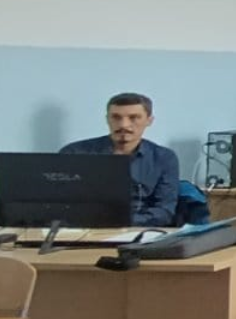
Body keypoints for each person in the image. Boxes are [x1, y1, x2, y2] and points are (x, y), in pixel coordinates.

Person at [59, 92, 179, 227]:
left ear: (149, 120)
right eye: (116, 117)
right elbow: (60, 204)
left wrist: (121, 221)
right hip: (85, 228)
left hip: (139, 229)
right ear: (107, 119)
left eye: (134, 118)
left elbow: (164, 211)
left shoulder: (163, 158)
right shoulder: (75, 153)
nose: (123, 125)